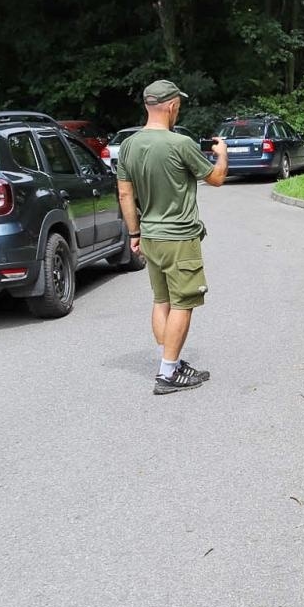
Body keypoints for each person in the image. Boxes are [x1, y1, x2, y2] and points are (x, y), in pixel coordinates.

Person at [117, 79, 230, 396]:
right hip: (179, 238)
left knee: (162, 300)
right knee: (183, 303)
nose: (178, 110)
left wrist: (134, 232)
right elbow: (217, 178)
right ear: (170, 106)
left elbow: (125, 193)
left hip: (150, 235)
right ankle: (167, 374)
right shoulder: (180, 144)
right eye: (178, 105)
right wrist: (221, 154)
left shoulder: (129, 145)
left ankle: (173, 361)